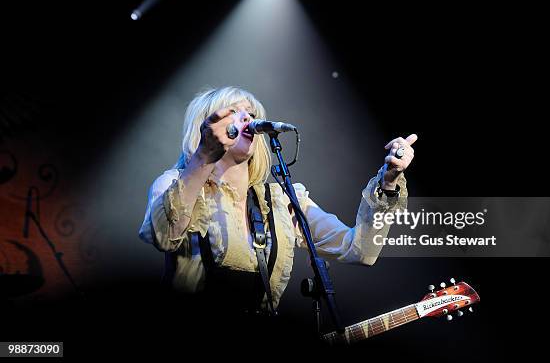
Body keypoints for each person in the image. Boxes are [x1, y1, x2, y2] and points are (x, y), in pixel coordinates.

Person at [138, 86, 416, 318]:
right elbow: (165, 237)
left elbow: (360, 250)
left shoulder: (282, 200)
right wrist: (203, 156)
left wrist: (388, 182)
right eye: (234, 112)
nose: (248, 118)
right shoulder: (175, 185)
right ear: (206, 126)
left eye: (252, 113)